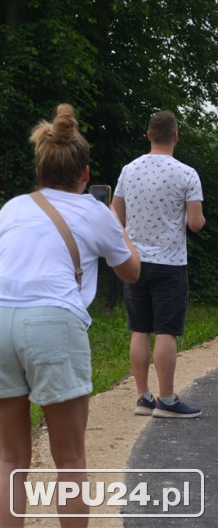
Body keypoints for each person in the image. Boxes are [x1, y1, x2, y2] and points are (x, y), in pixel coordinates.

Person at [1, 105, 140, 527]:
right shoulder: (94, 211)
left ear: (40, 170)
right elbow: (131, 271)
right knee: (70, 458)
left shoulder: (11, 208)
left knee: (8, 456)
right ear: (85, 174)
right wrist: (119, 225)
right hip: (52, 323)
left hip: (1, 318)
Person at [112, 110, 207, 416]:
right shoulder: (187, 174)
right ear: (176, 136)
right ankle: (167, 400)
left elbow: (116, 215)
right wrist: (200, 216)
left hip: (135, 261)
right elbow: (195, 224)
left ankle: (143, 397)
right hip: (170, 262)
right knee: (166, 330)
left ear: (148, 135)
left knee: (139, 329)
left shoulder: (129, 170)